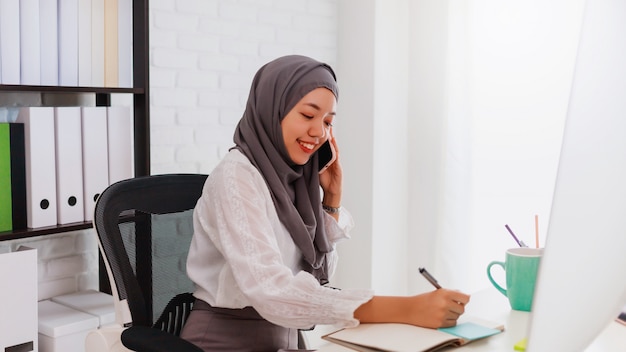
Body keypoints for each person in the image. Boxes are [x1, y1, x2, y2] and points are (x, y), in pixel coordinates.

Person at [180, 55, 470, 351]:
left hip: (286, 338)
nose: (319, 132)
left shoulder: (292, 182)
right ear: (272, 110)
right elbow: (272, 293)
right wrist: (406, 309)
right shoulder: (237, 177)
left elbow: (318, 276)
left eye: (328, 121)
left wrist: (331, 200)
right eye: (308, 115)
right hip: (224, 342)